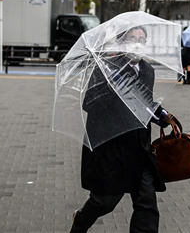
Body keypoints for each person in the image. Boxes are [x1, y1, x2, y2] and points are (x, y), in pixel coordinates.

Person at [70, 27, 174, 232]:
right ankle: (81, 220)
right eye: (132, 38)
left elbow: (144, 101)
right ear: (121, 42)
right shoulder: (106, 69)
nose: (137, 43)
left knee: (147, 204)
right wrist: (113, 91)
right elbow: (88, 104)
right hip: (111, 148)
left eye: (142, 39)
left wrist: (160, 115)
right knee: (105, 201)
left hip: (139, 148)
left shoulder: (147, 70)